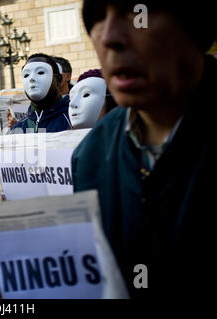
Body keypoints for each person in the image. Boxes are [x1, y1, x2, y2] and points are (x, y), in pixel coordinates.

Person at [71, 0, 216, 298]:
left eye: (138, 14)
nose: (110, 36)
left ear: (195, 26)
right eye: (97, 18)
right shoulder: (90, 153)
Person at [8, 53, 72, 133]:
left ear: (58, 80)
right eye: (26, 75)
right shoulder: (17, 130)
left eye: (40, 72)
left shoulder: (74, 120)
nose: (31, 79)